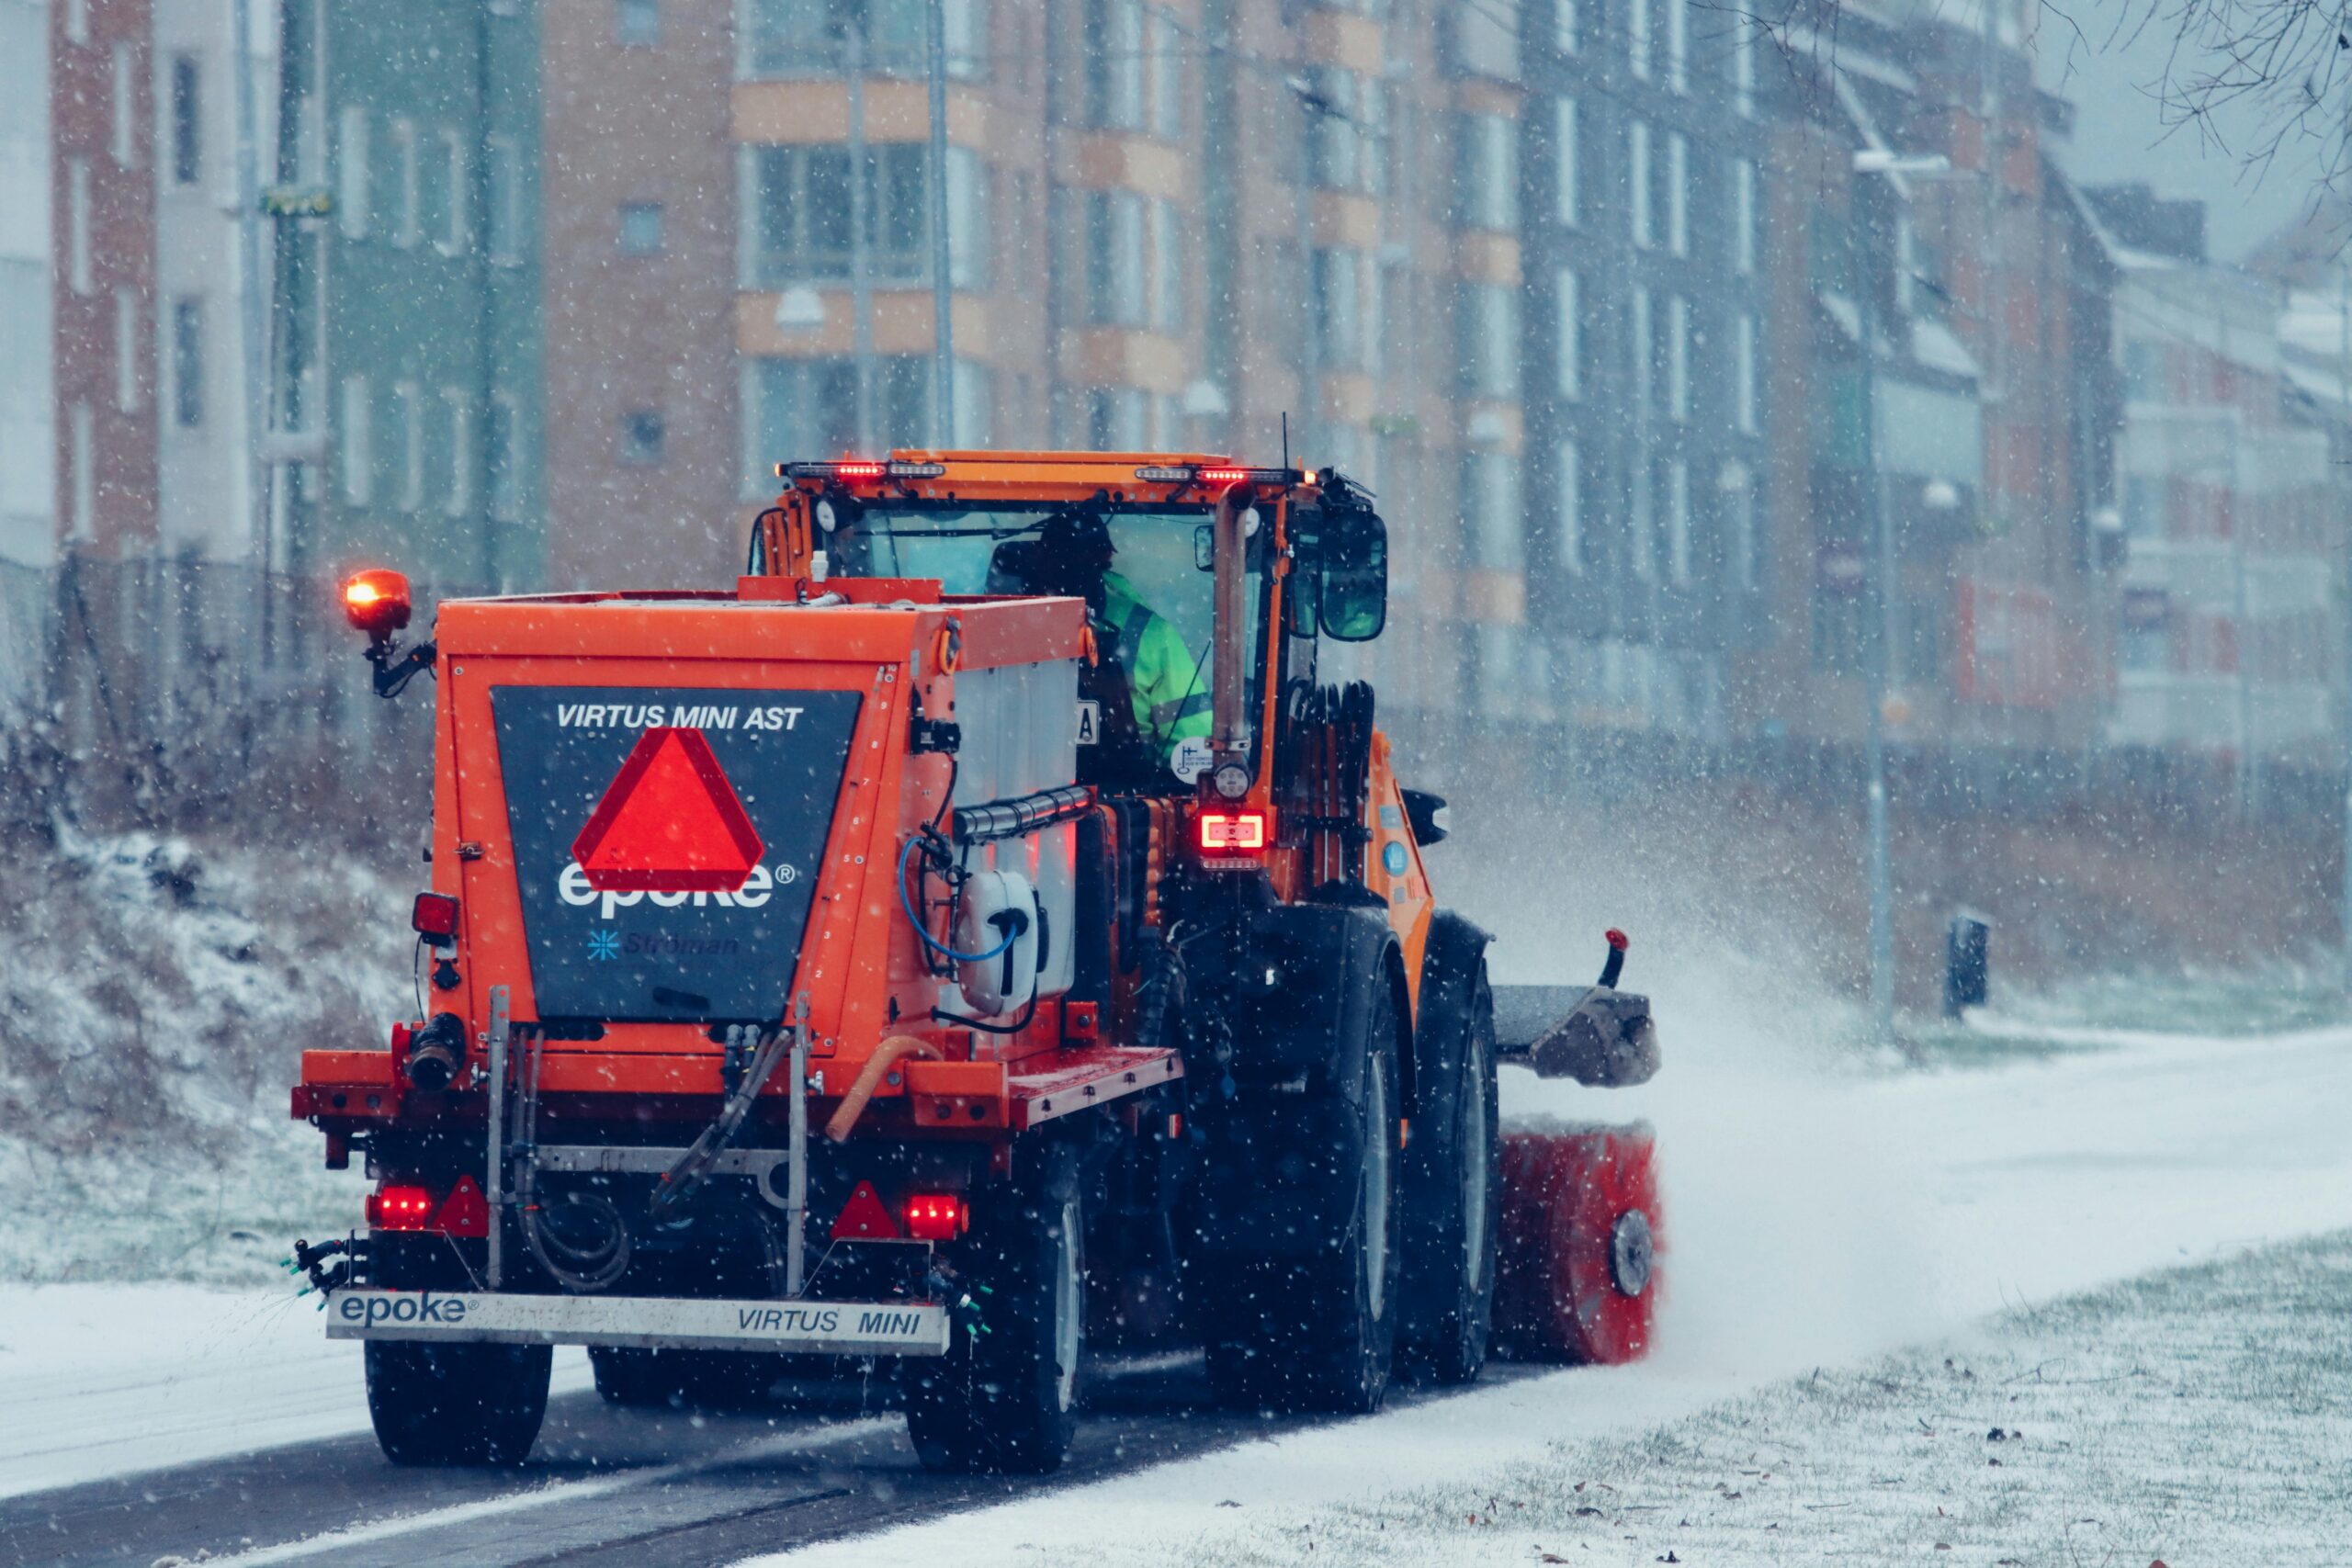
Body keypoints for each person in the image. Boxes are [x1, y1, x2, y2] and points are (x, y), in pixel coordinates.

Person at [1016, 511, 1210, 766]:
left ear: (1039, 559)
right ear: (1107, 556)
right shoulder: (1153, 633)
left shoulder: (993, 630)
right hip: (1127, 790)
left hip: (1010, 792)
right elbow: (1189, 741)